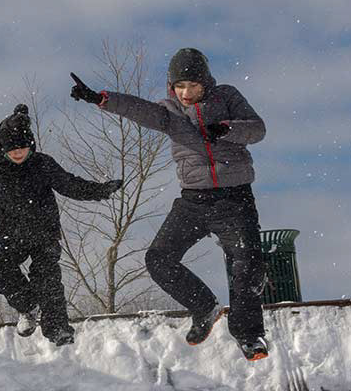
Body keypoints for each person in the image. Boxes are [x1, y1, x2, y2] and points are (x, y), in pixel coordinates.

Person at [72, 48, 272, 360]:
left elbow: (257, 129)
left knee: (247, 263)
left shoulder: (227, 96)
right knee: (158, 258)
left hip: (234, 198)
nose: (186, 94)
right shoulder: (170, 111)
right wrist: (101, 99)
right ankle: (204, 307)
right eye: (180, 87)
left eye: (193, 86)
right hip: (193, 201)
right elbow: (140, 110)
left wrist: (227, 129)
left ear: (205, 82)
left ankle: (248, 335)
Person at [0, 104, 122, 345]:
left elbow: (71, 185)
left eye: (23, 149)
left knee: (47, 278)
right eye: (12, 150)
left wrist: (100, 190)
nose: (18, 154)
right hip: (12, 236)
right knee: (2, 272)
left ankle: (58, 328)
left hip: (45, 234)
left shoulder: (43, 164)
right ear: (1, 149)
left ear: (31, 146)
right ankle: (29, 307)